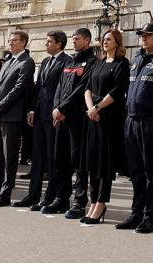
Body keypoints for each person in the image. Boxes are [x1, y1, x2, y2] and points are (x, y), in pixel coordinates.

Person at [119, 24, 153, 233]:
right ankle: (136, 213)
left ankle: (149, 216)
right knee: (135, 171)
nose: (143, 39)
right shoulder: (136, 59)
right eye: (141, 36)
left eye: (147, 36)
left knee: (150, 171)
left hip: (150, 121)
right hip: (131, 120)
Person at [44, 28, 95, 218]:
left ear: (87, 40)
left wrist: (63, 109)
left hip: (77, 118)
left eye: (78, 39)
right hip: (61, 117)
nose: (74, 41)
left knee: (78, 161)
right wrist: (57, 108)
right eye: (73, 39)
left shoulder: (91, 61)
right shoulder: (71, 61)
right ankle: (61, 198)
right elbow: (60, 86)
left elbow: (82, 88)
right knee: (60, 159)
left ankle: (79, 202)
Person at [81, 29, 130, 225]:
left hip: (109, 119)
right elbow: (86, 88)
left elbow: (118, 91)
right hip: (93, 117)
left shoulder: (122, 64)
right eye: (103, 39)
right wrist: (91, 108)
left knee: (104, 163)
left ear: (117, 42)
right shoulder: (97, 63)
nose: (104, 42)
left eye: (108, 39)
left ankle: (101, 202)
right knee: (93, 162)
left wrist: (98, 107)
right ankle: (93, 201)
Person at [0, 31, 33, 207]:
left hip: (11, 116)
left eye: (14, 41)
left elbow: (18, 89)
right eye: (9, 41)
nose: (10, 43)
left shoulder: (27, 62)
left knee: (9, 157)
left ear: (23, 42)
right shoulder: (7, 61)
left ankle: (5, 193)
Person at [23, 31, 70, 208]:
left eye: (49, 42)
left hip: (53, 115)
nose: (46, 44)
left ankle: (49, 196)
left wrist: (59, 109)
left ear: (59, 44)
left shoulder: (67, 61)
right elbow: (38, 87)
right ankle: (32, 194)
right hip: (39, 114)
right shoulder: (45, 61)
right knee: (37, 157)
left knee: (52, 158)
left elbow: (63, 88)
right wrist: (32, 109)